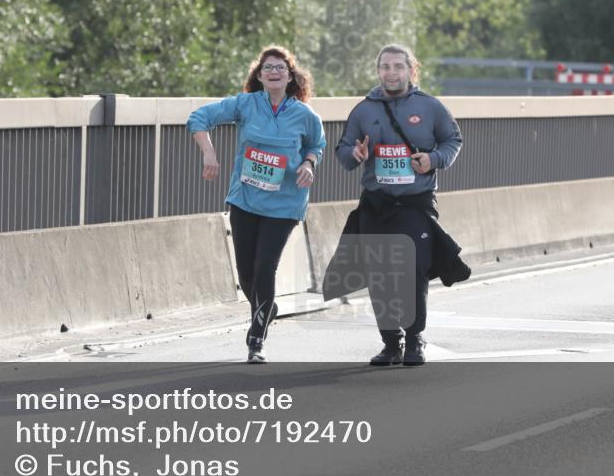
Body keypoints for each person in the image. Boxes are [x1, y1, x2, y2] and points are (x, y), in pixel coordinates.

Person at [327, 43, 469, 367]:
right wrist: (356, 155)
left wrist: (433, 159)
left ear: (411, 71)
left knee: (412, 268)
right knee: (379, 273)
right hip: (376, 203)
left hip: (415, 204)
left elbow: (453, 141)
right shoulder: (364, 110)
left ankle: (415, 338)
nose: (391, 73)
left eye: (398, 67)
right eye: (385, 67)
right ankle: (391, 343)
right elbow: (344, 151)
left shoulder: (430, 107)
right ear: (378, 72)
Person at [187, 46, 326, 363]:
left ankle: (256, 339)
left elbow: (317, 144)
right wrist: (209, 153)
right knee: (247, 273)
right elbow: (199, 118)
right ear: (259, 76)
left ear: (290, 76)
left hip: (284, 205)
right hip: (245, 201)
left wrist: (308, 164)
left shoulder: (304, 115)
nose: (274, 72)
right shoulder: (246, 105)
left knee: (266, 267)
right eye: (268, 68)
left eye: (281, 67)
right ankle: (267, 306)